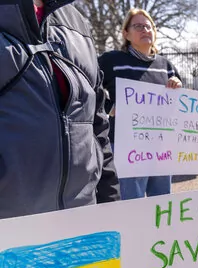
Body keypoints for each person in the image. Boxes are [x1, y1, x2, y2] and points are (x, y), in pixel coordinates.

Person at [0, 0, 120, 219]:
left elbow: (97, 121)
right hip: (10, 231)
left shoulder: (76, 23)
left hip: (82, 220)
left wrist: (110, 200)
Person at [99, 8, 182, 200]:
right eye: (138, 26)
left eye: (149, 26)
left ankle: (158, 232)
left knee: (161, 201)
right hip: (126, 145)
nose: (145, 30)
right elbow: (87, 87)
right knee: (131, 202)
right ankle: (132, 232)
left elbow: (178, 104)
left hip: (161, 145)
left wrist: (178, 87)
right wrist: (109, 107)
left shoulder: (166, 66)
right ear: (126, 33)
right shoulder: (111, 60)